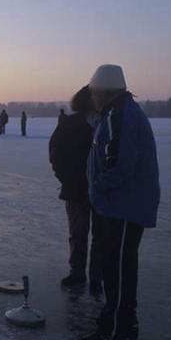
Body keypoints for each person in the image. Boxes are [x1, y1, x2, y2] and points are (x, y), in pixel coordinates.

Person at [79, 65, 160, 340]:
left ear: (102, 92)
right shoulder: (117, 113)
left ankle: (113, 334)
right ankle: (127, 323)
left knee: (118, 270)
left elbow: (120, 166)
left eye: (93, 93)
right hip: (122, 204)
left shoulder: (120, 115)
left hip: (123, 206)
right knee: (120, 267)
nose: (92, 98)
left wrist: (96, 187)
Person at [49, 86, 102, 294]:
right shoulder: (71, 124)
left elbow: (54, 154)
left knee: (93, 234)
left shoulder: (105, 122)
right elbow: (55, 154)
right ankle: (82, 273)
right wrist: (66, 178)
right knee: (82, 234)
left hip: (96, 188)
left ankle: (92, 275)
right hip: (79, 188)